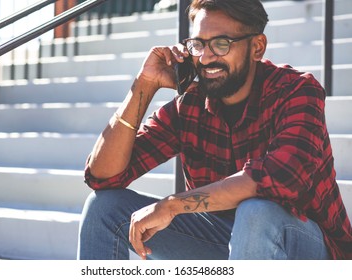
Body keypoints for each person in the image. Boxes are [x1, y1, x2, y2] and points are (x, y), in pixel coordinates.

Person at [78, 0, 352, 260]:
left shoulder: (296, 91)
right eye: (198, 44)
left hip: (306, 248)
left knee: (256, 211)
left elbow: (279, 178)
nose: (206, 57)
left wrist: (172, 204)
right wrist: (145, 84)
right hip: (223, 240)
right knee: (103, 208)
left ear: (257, 47)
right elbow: (103, 177)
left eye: (221, 44)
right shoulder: (189, 105)